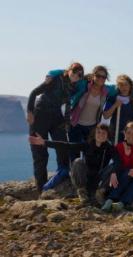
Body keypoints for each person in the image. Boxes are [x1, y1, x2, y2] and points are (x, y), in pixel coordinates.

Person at [27, 63, 84, 193]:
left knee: (63, 146)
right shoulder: (55, 80)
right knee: (39, 152)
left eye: (79, 74)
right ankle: (41, 188)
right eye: (74, 71)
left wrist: (66, 121)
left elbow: (69, 103)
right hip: (40, 113)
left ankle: (62, 176)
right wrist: (30, 111)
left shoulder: (74, 87)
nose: (76, 75)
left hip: (57, 116)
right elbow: (34, 93)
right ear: (69, 70)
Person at [29, 124, 114, 204]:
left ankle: (99, 193)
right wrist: (44, 142)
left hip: (99, 180)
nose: (101, 135)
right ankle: (82, 192)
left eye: (104, 133)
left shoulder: (110, 148)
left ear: (107, 136)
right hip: (86, 179)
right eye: (98, 132)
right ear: (94, 134)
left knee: (113, 167)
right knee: (77, 162)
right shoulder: (87, 145)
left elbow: (118, 161)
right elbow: (67, 145)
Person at [101, 122, 133, 212]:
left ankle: (123, 202)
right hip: (123, 174)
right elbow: (117, 163)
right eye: (129, 133)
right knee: (126, 174)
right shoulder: (119, 147)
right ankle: (110, 199)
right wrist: (114, 172)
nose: (131, 135)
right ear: (125, 134)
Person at [103, 74, 133, 143]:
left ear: (130, 86)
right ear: (118, 87)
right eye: (121, 85)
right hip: (115, 132)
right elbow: (106, 116)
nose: (124, 87)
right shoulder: (113, 98)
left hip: (130, 134)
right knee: (115, 152)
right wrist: (115, 105)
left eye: (126, 84)